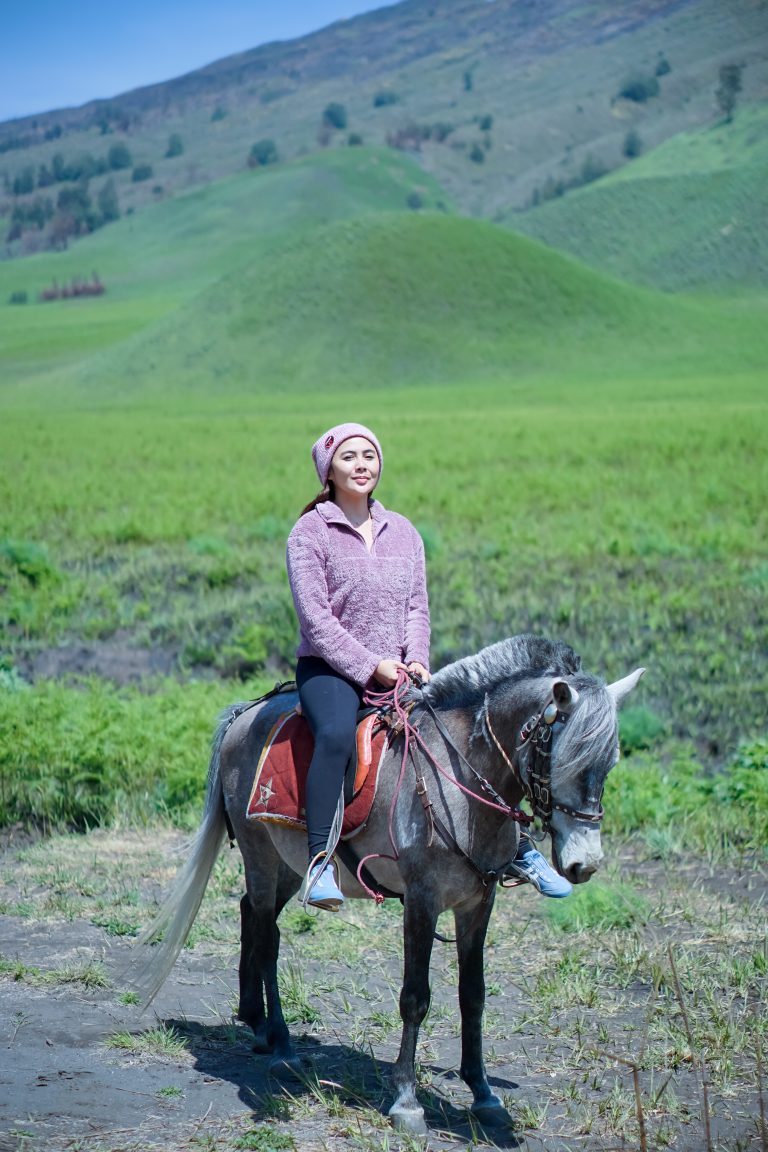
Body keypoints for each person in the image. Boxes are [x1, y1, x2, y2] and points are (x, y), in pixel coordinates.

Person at [286, 422, 570, 911]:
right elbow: (316, 619)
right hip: (331, 670)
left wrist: (416, 658)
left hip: (401, 671)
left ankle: (518, 849)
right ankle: (319, 862)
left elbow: (417, 606)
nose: (361, 465)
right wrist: (372, 665)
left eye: (369, 456)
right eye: (349, 457)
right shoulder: (310, 532)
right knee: (334, 735)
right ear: (327, 470)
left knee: (466, 735)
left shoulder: (404, 532)